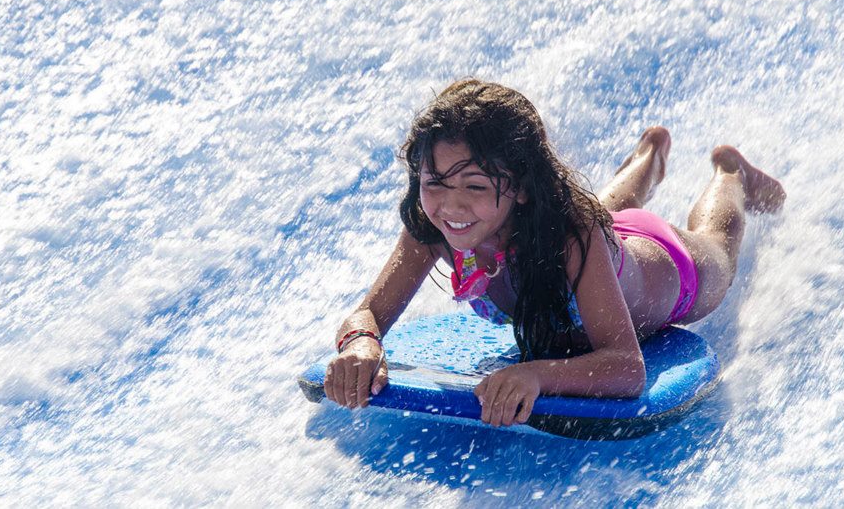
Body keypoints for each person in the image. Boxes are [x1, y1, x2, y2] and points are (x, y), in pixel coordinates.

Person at [323, 78, 785, 428]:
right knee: (596, 215)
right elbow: (368, 314)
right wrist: (362, 342)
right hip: (599, 243)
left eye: (475, 186)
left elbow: (626, 369)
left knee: (716, 245)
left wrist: (537, 375)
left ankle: (732, 177)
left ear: (522, 187)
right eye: (435, 182)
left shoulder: (571, 235)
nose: (451, 205)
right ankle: (649, 158)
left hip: (670, 270)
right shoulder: (433, 225)